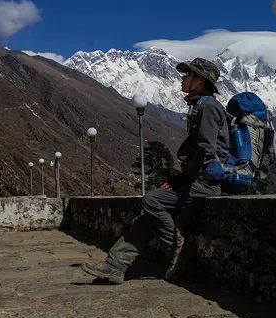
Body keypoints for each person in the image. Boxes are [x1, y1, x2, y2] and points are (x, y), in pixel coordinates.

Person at [81, 57, 228, 284]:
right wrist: (182, 177)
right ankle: (114, 266)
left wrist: (185, 177)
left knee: (152, 201)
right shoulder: (200, 105)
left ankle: (176, 247)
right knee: (147, 215)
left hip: (205, 182)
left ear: (199, 80)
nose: (182, 79)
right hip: (197, 179)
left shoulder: (208, 107)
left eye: (187, 75)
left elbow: (207, 150)